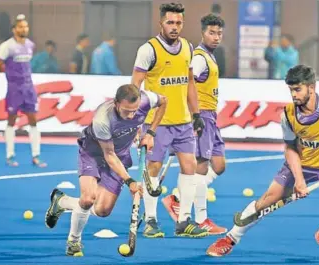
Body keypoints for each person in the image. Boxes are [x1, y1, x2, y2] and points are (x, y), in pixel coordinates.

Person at [206, 65, 319, 260]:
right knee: (267, 200)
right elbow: (291, 149)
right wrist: (299, 180)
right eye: (291, 90)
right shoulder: (288, 115)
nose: (293, 95)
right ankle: (230, 238)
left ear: (311, 88)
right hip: (301, 165)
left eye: (298, 89)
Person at [44, 84, 167, 256]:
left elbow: (164, 101)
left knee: (102, 210)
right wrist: (130, 181)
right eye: (126, 111)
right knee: (87, 199)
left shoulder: (147, 99)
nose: (131, 115)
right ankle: (73, 241)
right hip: (93, 153)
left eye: (135, 110)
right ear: (116, 103)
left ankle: (62, 202)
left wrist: (150, 133)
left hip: (121, 155)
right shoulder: (103, 119)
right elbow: (109, 155)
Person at [131, 2, 207, 238]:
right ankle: (151, 221)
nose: (175, 27)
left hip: (183, 122)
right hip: (156, 124)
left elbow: (190, 83)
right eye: (170, 22)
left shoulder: (188, 47)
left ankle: (183, 221)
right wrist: (135, 124)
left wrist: (196, 114)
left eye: (179, 23)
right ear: (161, 23)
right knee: (152, 170)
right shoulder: (148, 50)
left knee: (189, 167)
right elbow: (135, 87)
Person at [161, 13, 227, 235]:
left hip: (211, 116)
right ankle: (201, 219)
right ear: (203, 33)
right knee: (200, 168)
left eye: (219, 33)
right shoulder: (199, 58)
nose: (216, 37)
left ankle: (178, 198)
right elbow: (186, 83)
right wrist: (191, 114)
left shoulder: (210, 55)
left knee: (219, 166)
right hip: (202, 116)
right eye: (211, 33)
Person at [0, 14, 46, 167]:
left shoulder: (30, 45)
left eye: (26, 26)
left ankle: (36, 156)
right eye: (20, 27)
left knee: (33, 120)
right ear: (14, 30)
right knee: (11, 120)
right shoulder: (6, 46)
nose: (24, 29)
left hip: (29, 88)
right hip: (14, 89)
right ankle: (10, 155)